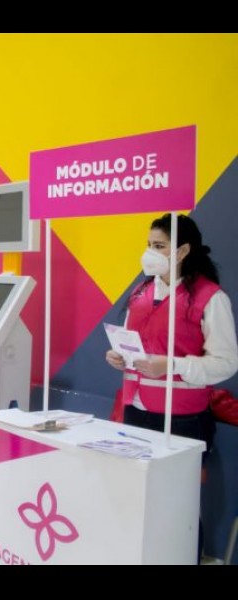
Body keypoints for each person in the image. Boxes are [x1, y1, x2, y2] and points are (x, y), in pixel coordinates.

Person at [105, 214, 238, 556]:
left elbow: (226, 363)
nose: (150, 252)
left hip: (183, 419)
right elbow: (138, 344)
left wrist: (173, 366)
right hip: (136, 411)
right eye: (148, 245)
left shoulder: (210, 298)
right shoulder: (141, 292)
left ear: (182, 251)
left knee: (179, 506)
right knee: (137, 498)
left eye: (159, 246)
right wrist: (120, 356)